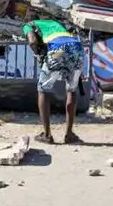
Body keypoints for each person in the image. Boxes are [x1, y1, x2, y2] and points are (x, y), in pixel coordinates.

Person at [24, 13, 85, 144]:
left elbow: (32, 41)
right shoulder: (53, 23)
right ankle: (69, 134)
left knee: (43, 89)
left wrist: (38, 54)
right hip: (77, 48)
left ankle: (47, 135)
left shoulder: (29, 25)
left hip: (57, 50)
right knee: (71, 90)